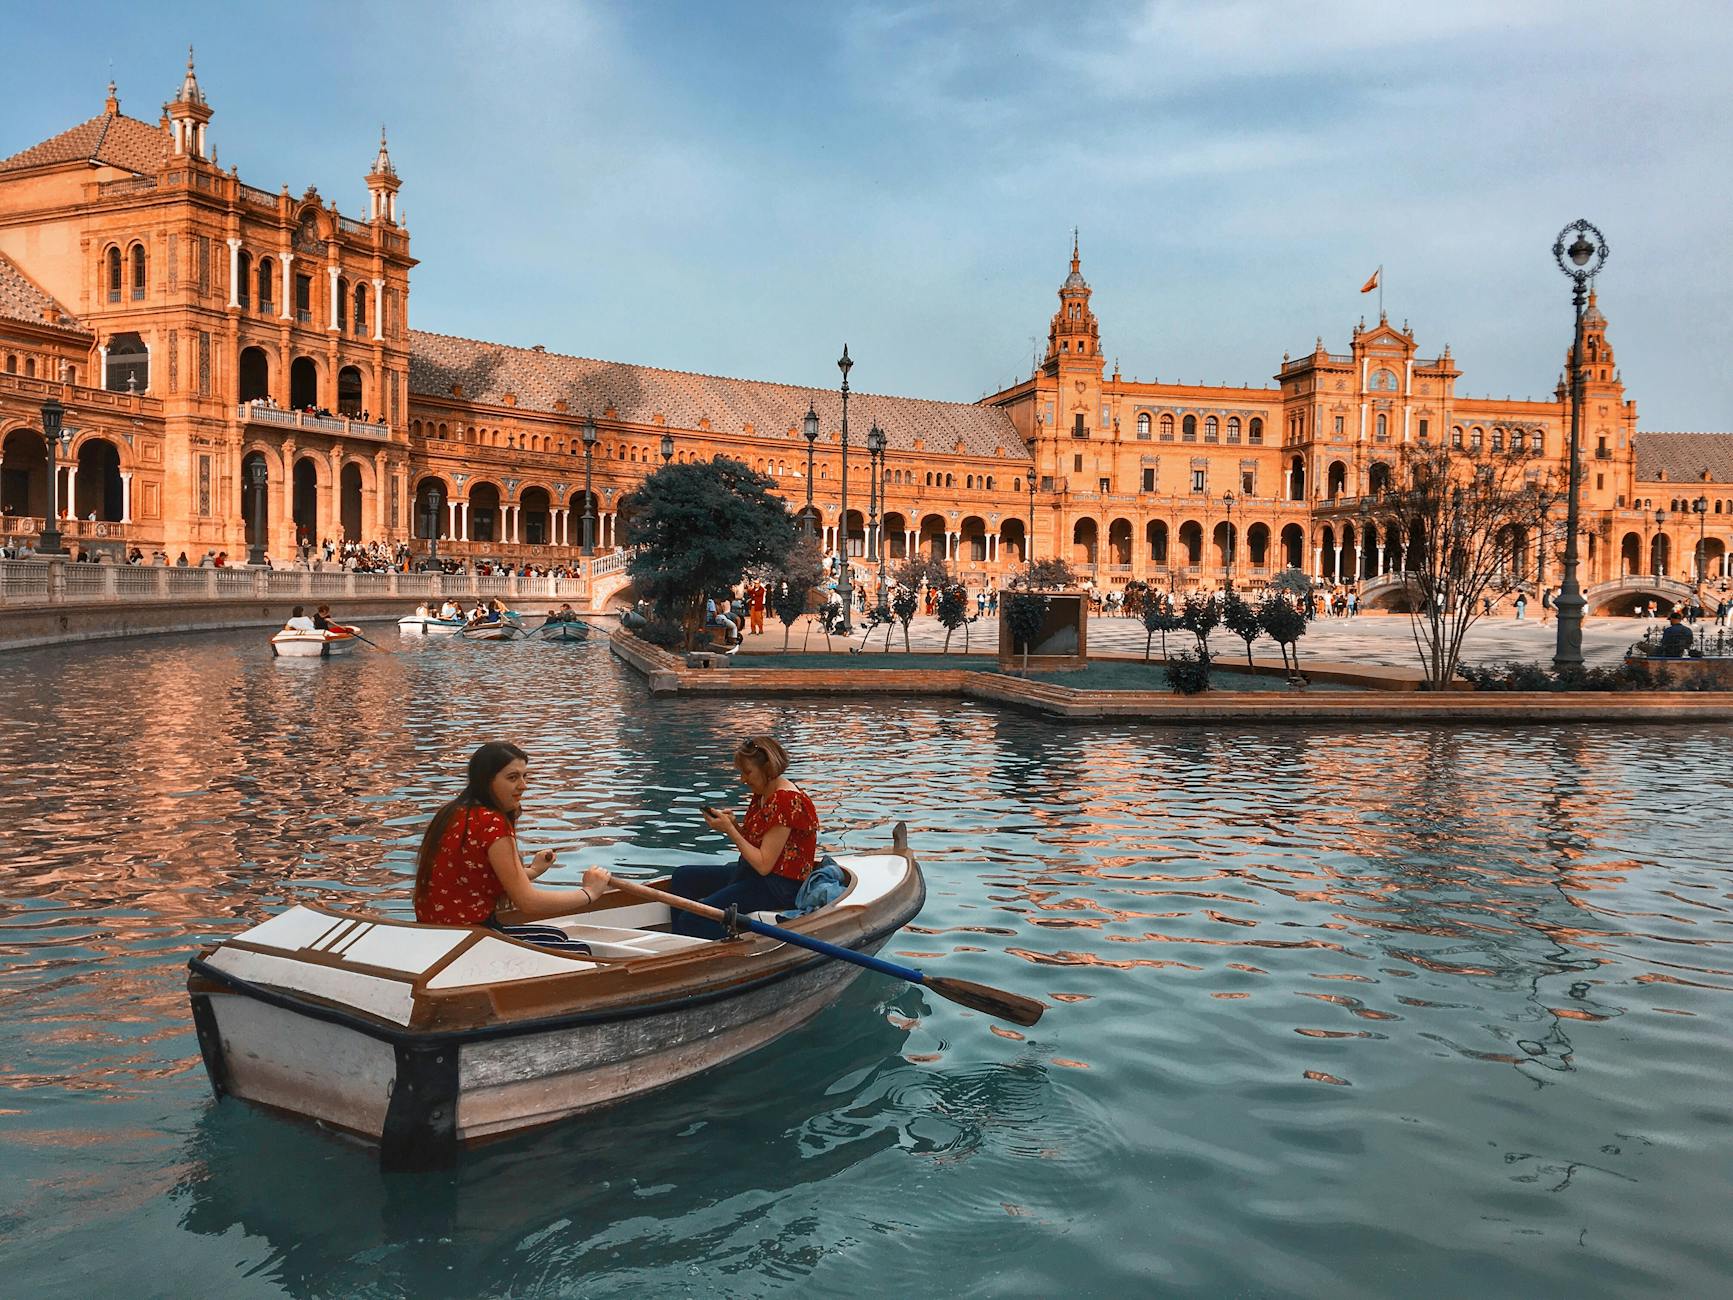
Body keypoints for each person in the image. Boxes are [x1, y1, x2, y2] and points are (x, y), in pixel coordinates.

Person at [412, 742, 607, 952]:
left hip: (437, 932)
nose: (523, 785)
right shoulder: (492, 824)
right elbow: (528, 903)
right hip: (467, 939)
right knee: (581, 951)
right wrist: (588, 893)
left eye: (525, 776)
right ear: (487, 781)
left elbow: (473, 878)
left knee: (556, 935)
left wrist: (533, 871)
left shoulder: (453, 813)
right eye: (512, 778)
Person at [665, 736, 820, 940]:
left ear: (767, 768)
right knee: (682, 877)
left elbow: (764, 864)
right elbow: (757, 843)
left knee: (693, 918)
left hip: (777, 886)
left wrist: (730, 830)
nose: (743, 779)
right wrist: (734, 826)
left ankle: (725, 948)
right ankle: (681, 943)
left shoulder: (786, 801)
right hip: (753, 875)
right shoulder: (764, 793)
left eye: (747, 772)